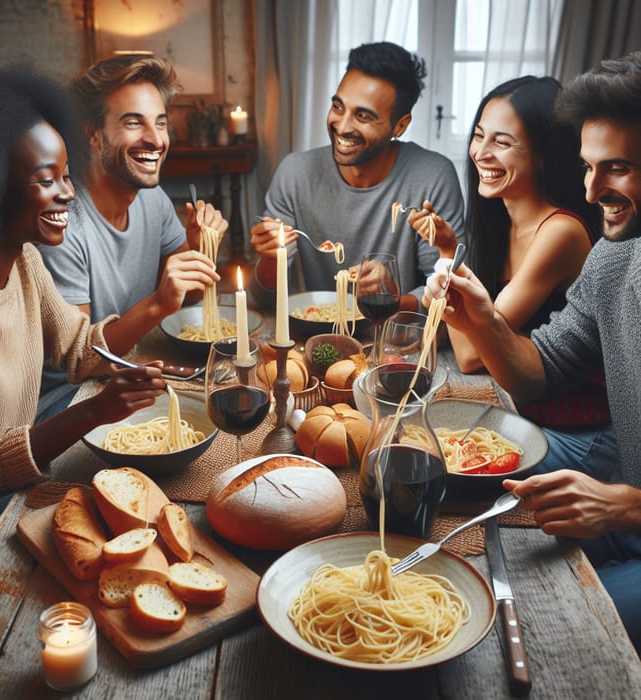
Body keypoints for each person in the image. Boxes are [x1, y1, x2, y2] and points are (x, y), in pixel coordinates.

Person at [422, 52, 641, 649]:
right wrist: (485, 319)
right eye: (589, 168)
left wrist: (625, 507)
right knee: (468, 573)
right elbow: (540, 371)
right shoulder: (614, 256)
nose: (593, 191)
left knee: (548, 627)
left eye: (616, 168)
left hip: (625, 505)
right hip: (617, 498)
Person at [0, 61, 169, 601]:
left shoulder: (23, 262)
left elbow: (79, 348)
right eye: (46, 180)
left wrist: (143, 366)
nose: (69, 194)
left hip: (14, 496)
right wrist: (90, 412)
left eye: (67, 174)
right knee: (114, 581)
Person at [409, 76, 618, 482]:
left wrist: (449, 256)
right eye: (479, 136)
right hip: (524, 414)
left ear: (543, 155)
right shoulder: (501, 222)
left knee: (430, 459)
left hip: (579, 436)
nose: (480, 153)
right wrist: (451, 248)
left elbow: (471, 356)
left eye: (502, 143)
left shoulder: (560, 232)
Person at [37, 54, 228, 420]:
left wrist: (201, 249)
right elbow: (83, 362)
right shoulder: (61, 222)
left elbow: (185, 298)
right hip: (69, 403)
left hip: (131, 370)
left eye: (161, 123)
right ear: (92, 133)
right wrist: (157, 303)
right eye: (132, 122)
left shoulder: (152, 199)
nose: (156, 140)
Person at [250, 41, 466, 311]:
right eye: (338, 107)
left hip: (394, 339)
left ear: (400, 125)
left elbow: (449, 299)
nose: (342, 126)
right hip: (315, 333)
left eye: (363, 116)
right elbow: (266, 301)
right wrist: (270, 258)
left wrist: (391, 297)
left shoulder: (433, 176)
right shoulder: (295, 173)